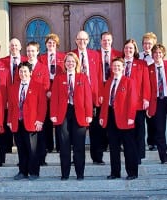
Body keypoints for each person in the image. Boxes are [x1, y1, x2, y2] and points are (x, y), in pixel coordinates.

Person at [50, 52, 93, 180]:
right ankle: (65, 174)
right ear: (64, 64)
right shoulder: (59, 78)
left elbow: (88, 98)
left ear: (76, 64)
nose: (70, 64)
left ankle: (80, 174)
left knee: (79, 146)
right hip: (63, 113)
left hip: (79, 113)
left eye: (72, 61)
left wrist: (89, 114)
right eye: (68, 61)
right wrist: (53, 114)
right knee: (64, 145)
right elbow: (54, 98)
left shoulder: (83, 78)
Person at [99, 57, 138, 180]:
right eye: (114, 66)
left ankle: (132, 172)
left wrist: (131, 117)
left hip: (125, 118)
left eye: (118, 66)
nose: (116, 68)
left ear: (123, 68)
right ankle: (115, 172)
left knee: (128, 147)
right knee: (113, 147)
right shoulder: (109, 82)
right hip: (110, 117)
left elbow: (132, 101)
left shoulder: (129, 81)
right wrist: (102, 116)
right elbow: (105, 102)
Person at [7, 62, 47, 181]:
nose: (22, 74)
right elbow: (12, 106)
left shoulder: (38, 86)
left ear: (30, 73)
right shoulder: (14, 87)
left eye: (25, 71)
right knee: (21, 148)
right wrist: (9, 120)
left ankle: (34, 172)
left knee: (32, 149)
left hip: (32, 122)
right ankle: (22, 172)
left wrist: (40, 121)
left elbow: (42, 105)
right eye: (20, 71)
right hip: (17, 122)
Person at [72, 30, 101, 165]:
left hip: (92, 96)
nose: (82, 42)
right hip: (76, 97)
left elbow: (99, 76)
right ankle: (76, 158)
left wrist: (99, 94)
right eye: (79, 39)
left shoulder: (95, 55)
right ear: (76, 41)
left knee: (95, 129)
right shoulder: (71, 55)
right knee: (76, 130)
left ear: (88, 41)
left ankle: (97, 157)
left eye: (84, 39)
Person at [0, 38, 28, 165]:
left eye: (16, 45)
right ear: (9, 47)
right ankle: (6, 150)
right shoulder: (2, 61)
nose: (14, 47)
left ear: (20, 47)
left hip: (22, 97)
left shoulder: (26, 61)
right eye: (12, 45)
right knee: (7, 123)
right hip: (7, 95)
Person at [38, 33, 66, 165]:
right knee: (46, 119)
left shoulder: (63, 57)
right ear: (46, 45)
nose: (51, 45)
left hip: (59, 90)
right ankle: (49, 145)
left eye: (53, 43)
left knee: (59, 118)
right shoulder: (41, 58)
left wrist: (54, 91)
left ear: (57, 45)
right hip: (45, 90)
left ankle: (61, 146)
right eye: (49, 43)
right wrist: (47, 91)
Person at [123, 39, 151, 165]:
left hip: (138, 102)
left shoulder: (141, 64)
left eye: (131, 48)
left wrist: (146, 98)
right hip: (123, 102)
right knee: (127, 129)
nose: (128, 50)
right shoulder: (118, 63)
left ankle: (139, 155)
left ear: (134, 50)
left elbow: (146, 82)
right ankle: (128, 152)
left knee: (139, 129)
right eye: (126, 48)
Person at [97, 31, 123, 164]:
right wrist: (100, 94)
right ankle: (99, 154)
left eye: (108, 40)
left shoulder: (118, 55)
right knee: (100, 125)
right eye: (104, 40)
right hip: (100, 92)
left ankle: (116, 146)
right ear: (100, 41)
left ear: (112, 41)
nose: (106, 42)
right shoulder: (95, 55)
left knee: (115, 122)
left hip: (115, 92)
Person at [139, 32, 158, 151]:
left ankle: (152, 142)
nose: (147, 46)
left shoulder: (156, 57)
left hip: (152, 90)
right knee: (140, 118)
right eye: (145, 43)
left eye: (149, 44)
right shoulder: (138, 56)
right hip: (140, 91)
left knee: (152, 118)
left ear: (154, 44)